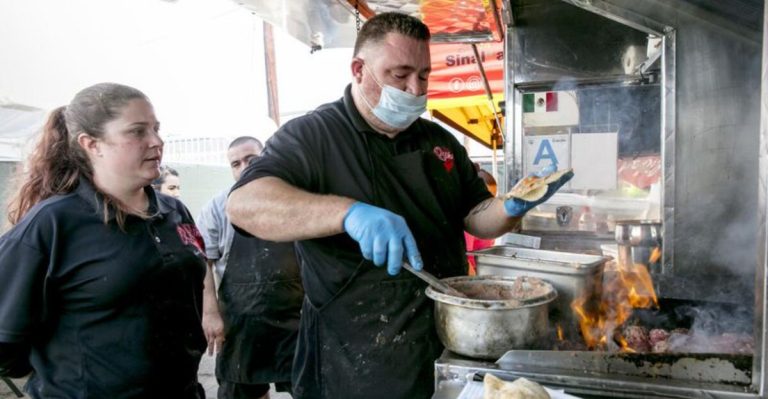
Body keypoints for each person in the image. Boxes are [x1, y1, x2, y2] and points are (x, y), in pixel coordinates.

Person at [227, 12, 572, 399]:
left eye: (423, 76)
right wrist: (348, 213)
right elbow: (244, 204)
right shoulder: (314, 135)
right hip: (354, 359)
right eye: (400, 75)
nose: (415, 89)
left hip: (442, 343)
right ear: (359, 70)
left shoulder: (438, 141)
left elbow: (478, 218)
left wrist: (513, 205)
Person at [0, 83, 208, 398]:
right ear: (91, 144)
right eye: (137, 132)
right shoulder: (53, 223)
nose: (156, 141)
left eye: (156, 128)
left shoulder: (174, 210)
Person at [198, 136, 303, 399]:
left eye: (251, 159)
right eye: (236, 163)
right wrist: (210, 313)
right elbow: (203, 262)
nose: (244, 167)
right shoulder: (216, 208)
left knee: (311, 387)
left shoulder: (297, 198)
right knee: (243, 389)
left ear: (266, 156)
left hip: (297, 319)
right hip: (242, 322)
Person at [465, 163, 498, 275]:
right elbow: (466, 260)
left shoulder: (486, 219)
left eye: (491, 199)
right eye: (483, 200)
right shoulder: (468, 220)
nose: (488, 204)